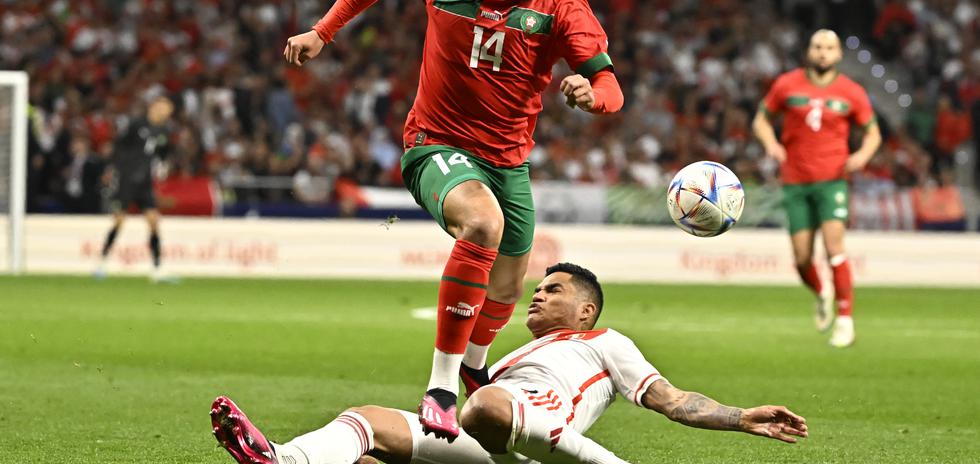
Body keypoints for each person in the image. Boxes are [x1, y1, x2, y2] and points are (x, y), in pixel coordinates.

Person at [282, 0, 624, 437]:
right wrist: (323, 31)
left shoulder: (561, 4)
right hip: (434, 142)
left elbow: (612, 87)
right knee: (483, 224)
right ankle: (441, 387)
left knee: (507, 286)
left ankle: (473, 369)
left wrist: (592, 95)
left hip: (507, 162)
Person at [211, 262, 808, 464]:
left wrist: (740, 417)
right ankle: (282, 458)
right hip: (493, 436)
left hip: (515, 425)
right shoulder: (521, 354)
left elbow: (675, 401)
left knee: (486, 403)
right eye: (539, 287)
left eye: (554, 289)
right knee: (366, 426)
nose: (539, 294)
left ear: (586, 308)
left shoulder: (605, 342)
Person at [752, 29, 881, 348]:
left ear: (838, 55)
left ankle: (846, 320)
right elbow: (761, 120)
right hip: (795, 180)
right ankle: (822, 292)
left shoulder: (851, 91)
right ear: (810, 51)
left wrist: (862, 156)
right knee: (801, 258)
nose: (823, 52)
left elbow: (873, 133)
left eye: (829, 48)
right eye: (818, 47)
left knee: (835, 247)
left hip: (832, 180)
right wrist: (772, 144)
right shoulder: (787, 84)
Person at [94, 95, 175, 283]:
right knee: (119, 220)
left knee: (154, 221)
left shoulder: (163, 131)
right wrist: (114, 169)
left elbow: (162, 153)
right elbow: (118, 146)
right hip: (127, 179)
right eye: (163, 108)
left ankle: (157, 269)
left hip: (145, 181)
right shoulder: (136, 124)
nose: (165, 112)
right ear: (153, 107)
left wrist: (163, 165)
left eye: (168, 110)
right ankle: (102, 263)